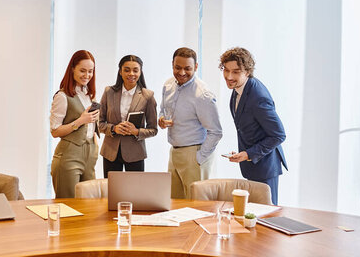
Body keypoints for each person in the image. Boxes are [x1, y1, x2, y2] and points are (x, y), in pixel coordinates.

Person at [220, 47, 287, 205]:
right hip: (253, 166)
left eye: (236, 72)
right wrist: (243, 153)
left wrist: (248, 154)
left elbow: (278, 135)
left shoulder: (258, 97)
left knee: (266, 217)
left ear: (247, 72)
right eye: (226, 70)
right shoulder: (239, 88)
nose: (229, 76)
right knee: (252, 216)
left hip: (265, 167)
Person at [158, 47, 222, 199]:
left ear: (196, 67)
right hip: (174, 152)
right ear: (172, 64)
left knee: (196, 206)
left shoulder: (203, 95)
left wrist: (199, 158)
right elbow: (162, 109)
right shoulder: (168, 85)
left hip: (194, 154)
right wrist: (161, 119)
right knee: (174, 203)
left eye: (187, 68)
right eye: (177, 67)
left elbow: (216, 132)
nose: (181, 73)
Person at [50, 50, 100, 198]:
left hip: (90, 155)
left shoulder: (88, 95)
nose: (87, 75)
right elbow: (55, 131)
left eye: (90, 71)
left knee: (89, 206)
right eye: (82, 70)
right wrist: (80, 121)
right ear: (72, 69)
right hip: (69, 155)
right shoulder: (62, 96)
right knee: (68, 207)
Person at [98, 55, 158, 177]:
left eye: (135, 70)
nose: (131, 74)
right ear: (120, 72)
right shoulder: (109, 92)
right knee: (112, 192)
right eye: (126, 70)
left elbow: (153, 130)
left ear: (140, 72)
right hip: (110, 152)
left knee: (135, 193)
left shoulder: (148, 96)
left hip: (135, 153)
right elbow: (99, 123)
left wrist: (136, 131)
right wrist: (114, 129)